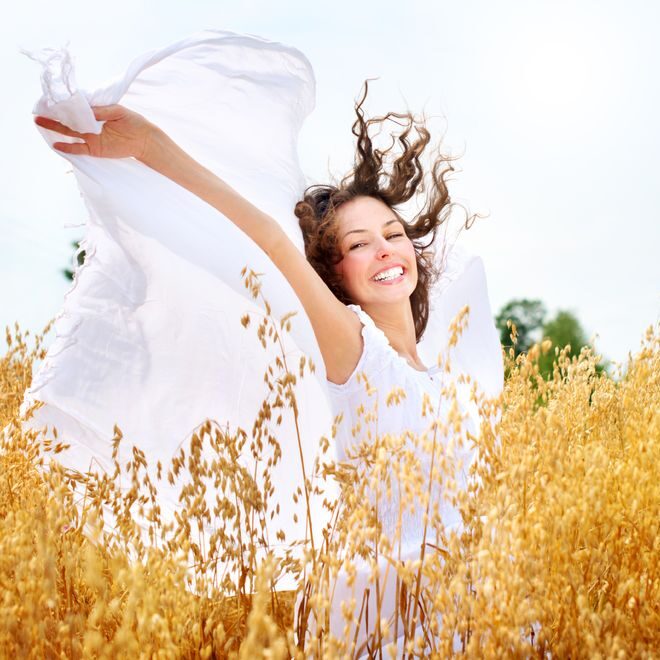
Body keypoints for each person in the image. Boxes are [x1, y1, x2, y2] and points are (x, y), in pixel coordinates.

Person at [27, 30, 503, 654]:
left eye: (392, 232)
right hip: (383, 616)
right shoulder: (354, 350)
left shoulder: (450, 379)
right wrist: (154, 148)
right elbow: (271, 242)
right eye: (359, 244)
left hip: (475, 609)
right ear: (335, 274)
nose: (385, 248)